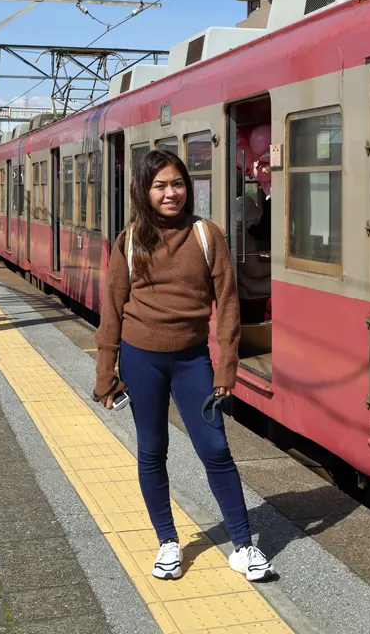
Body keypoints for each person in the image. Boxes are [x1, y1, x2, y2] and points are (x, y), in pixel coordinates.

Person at [94, 149, 275, 583]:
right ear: (145, 190)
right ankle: (168, 543)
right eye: (160, 186)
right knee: (152, 450)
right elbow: (112, 308)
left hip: (193, 359)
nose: (170, 193)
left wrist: (226, 367)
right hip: (141, 361)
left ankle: (244, 546)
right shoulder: (131, 239)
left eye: (177, 184)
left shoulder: (206, 235)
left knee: (216, 449)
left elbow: (228, 305)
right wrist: (105, 372)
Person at [236, 194, 272, 323]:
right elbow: (255, 270)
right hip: (250, 288)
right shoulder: (242, 239)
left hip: (245, 285)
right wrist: (275, 267)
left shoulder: (240, 235)